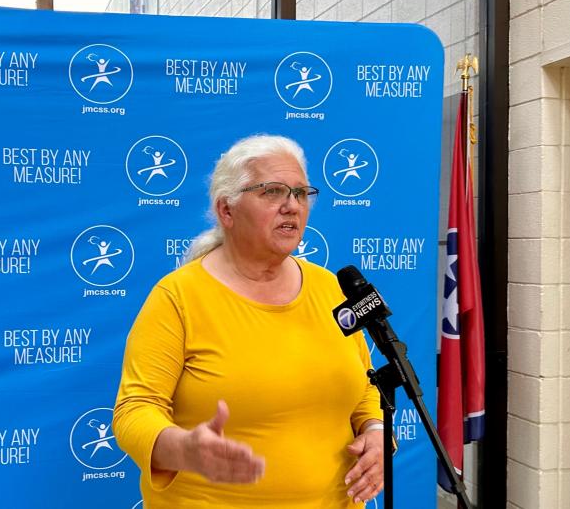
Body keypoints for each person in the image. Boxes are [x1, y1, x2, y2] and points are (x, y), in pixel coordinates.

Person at [113, 134, 390, 508]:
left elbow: (365, 387)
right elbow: (135, 410)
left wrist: (375, 430)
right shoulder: (178, 297)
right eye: (273, 192)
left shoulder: (330, 290)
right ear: (227, 211)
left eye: (301, 193)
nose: (292, 206)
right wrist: (181, 449)